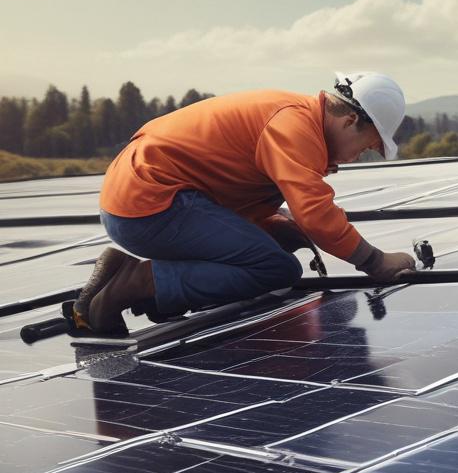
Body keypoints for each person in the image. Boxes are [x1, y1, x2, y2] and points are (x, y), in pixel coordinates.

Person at [75, 71, 417, 335]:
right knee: (275, 269)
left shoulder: (295, 115)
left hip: (140, 200)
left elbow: (228, 188)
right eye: (367, 147)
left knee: (266, 250)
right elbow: (315, 212)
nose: (359, 157)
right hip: (153, 201)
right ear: (350, 121)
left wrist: (269, 226)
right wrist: (374, 261)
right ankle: (138, 282)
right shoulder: (296, 128)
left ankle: (120, 270)